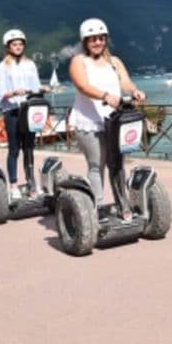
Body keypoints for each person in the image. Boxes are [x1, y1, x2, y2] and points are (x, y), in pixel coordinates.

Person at [68, 18, 145, 220]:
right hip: (89, 121)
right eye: (93, 39)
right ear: (85, 41)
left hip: (114, 121)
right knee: (97, 165)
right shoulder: (79, 61)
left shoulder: (114, 61)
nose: (98, 42)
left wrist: (135, 91)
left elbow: (125, 82)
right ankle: (97, 209)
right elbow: (82, 86)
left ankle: (123, 205)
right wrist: (104, 96)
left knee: (117, 164)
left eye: (101, 38)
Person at [0, 29, 44, 200]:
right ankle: (14, 185)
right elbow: (1, 93)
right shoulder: (3, 66)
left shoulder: (30, 64)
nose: (18, 47)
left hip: (28, 110)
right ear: (8, 47)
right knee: (14, 149)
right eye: (14, 44)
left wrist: (42, 89)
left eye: (20, 44)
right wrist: (14, 92)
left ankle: (32, 183)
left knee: (29, 148)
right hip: (12, 111)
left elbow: (36, 87)